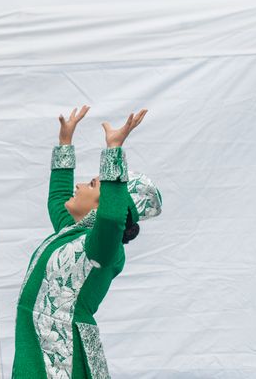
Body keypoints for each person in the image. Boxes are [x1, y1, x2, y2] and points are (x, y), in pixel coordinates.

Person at [11, 106, 162, 378]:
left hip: (63, 355)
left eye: (92, 184)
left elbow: (112, 219)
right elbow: (57, 198)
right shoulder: (72, 234)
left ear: (104, 204)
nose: (79, 185)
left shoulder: (102, 248)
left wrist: (114, 149)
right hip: (38, 345)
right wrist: (65, 143)